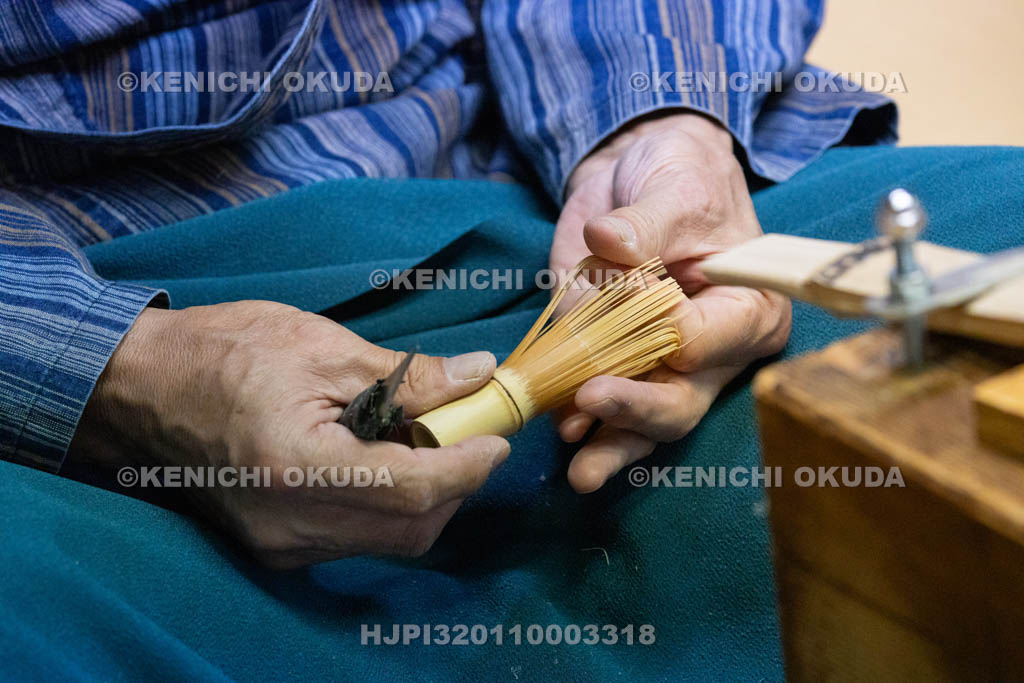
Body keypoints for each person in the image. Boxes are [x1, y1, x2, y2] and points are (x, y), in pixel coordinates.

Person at [0, 0, 894, 567]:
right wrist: (117, 369)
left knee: (901, 381)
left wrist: (654, 121)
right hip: (103, 295)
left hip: (538, 167)